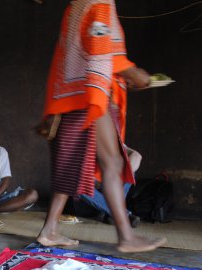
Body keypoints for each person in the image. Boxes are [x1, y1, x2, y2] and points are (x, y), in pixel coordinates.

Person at [36, 0, 166, 253]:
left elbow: (88, 44)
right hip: (90, 95)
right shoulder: (99, 4)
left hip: (73, 94)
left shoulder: (77, 5)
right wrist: (132, 73)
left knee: (74, 163)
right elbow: (99, 44)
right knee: (113, 162)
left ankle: (49, 229)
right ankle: (126, 236)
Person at [78, 146, 142, 227]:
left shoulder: (104, 139)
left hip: (110, 194)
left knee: (129, 168)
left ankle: (113, 214)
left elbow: (137, 156)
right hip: (88, 201)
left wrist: (118, 178)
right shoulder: (76, 144)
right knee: (75, 182)